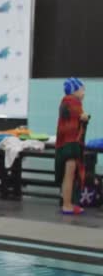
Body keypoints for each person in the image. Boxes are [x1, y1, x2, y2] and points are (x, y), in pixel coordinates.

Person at [55, 78, 89, 215]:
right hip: (70, 143)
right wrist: (85, 117)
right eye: (82, 90)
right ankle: (67, 205)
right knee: (69, 175)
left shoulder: (65, 101)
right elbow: (80, 118)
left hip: (64, 143)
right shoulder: (73, 101)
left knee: (67, 175)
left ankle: (67, 203)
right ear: (75, 90)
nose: (84, 93)